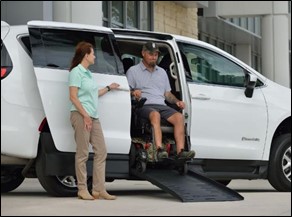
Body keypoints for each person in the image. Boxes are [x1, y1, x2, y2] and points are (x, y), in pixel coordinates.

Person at [126, 41, 195, 161]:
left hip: (162, 105)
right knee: (155, 114)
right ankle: (159, 150)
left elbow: (167, 94)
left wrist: (177, 101)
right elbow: (125, 91)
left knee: (179, 117)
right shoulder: (133, 71)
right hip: (144, 105)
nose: (154, 57)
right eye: (151, 54)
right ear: (143, 53)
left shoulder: (162, 72)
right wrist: (133, 93)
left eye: (156, 55)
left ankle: (181, 152)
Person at [69, 41, 119, 200]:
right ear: (86, 55)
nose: (95, 56)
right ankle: (82, 189)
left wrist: (109, 87)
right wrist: (84, 115)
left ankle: (98, 189)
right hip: (80, 115)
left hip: (93, 117)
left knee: (101, 151)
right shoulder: (76, 72)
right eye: (93, 54)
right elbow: (73, 97)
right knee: (83, 153)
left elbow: (93, 94)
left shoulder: (88, 73)